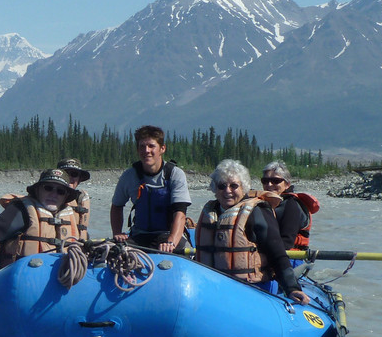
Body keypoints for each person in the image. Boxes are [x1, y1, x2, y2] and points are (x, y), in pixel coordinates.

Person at [194, 159, 309, 304]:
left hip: (253, 289)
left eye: (234, 185)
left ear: (244, 188)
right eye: (222, 186)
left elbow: (277, 252)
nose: (227, 191)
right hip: (214, 287)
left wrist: (292, 288)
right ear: (214, 189)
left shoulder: (257, 212)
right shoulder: (209, 212)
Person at [0, 168, 86, 269]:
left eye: (60, 191)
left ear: (65, 196)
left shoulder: (70, 215)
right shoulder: (21, 210)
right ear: (37, 190)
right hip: (23, 278)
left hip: (60, 278)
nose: (54, 194)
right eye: (48, 188)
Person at [110, 125, 191, 253]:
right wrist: (117, 233)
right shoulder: (129, 176)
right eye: (142, 146)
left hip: (167, 234)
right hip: (139, 236)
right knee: (113, 251)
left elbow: (180, 213)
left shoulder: (175, 174)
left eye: (151, 146)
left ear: (162, 148)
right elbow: (116, 206)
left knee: (180, 249)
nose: (146, 150)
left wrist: (171, 241)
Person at [260, 160, 319, 251]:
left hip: (291, 258)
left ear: (287, 184)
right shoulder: (264, 204)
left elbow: (287, 242)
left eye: (276, 181)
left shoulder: (291, 205)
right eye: (265, 181)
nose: (269, 184)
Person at [57, 158, 91, 238]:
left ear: (79, 179)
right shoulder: (47, 198)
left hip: (76, 246)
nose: (69, 178)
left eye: (74, 174)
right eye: (65, 174)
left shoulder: (80, 199)